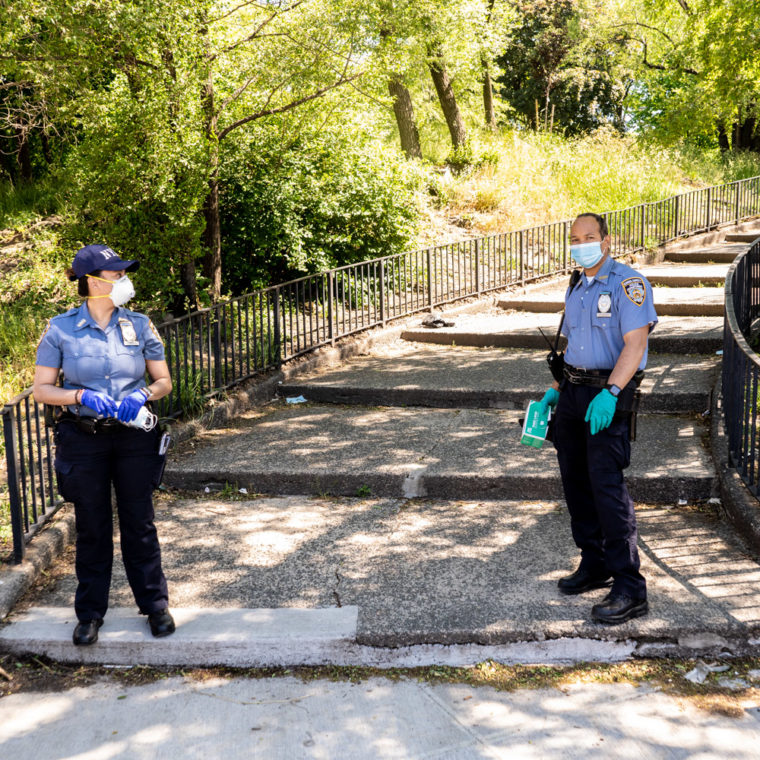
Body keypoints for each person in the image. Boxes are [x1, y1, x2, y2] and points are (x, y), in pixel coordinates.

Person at [33, 244, 175, 645]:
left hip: (133, 437)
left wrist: (143, 395)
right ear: (93, 281)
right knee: (93, 528)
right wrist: (78, 397)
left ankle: (155, 605)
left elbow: (164, 381)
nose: (123, 279)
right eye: (116, 274)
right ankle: (90, 614)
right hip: (84, 439)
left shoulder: (140, 324)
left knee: (139, 524)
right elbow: (42, 389)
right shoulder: (60, 328)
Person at [539, 213, 658, 625]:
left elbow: (635, 343)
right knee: (576, 482)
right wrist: (554, 393)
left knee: (607, 486)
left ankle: (629, 586)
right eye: (575, 238)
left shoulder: (628, 284)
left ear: (607, 241)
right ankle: (594, 563)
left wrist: (611, 392)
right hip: (572, 395)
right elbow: (575, 344)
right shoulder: (576, 286)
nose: (581, 244)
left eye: (589, 237)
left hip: (608, 395)